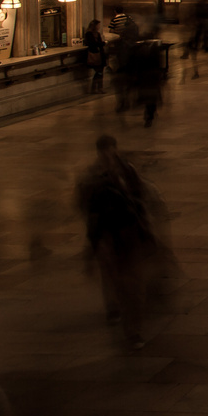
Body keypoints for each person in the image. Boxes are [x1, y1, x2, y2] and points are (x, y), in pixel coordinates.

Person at [76, 135, 163, 349]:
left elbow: (140, 198)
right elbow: (89, 211)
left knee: (134, 285)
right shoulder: (93, 179)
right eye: (104, 150)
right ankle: (119, 313)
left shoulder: (127, 170)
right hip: (109, 236)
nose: (108, 154)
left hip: (130, 233)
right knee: (117, 280)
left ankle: (133, 328)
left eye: (111, 149)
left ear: (115, 149)